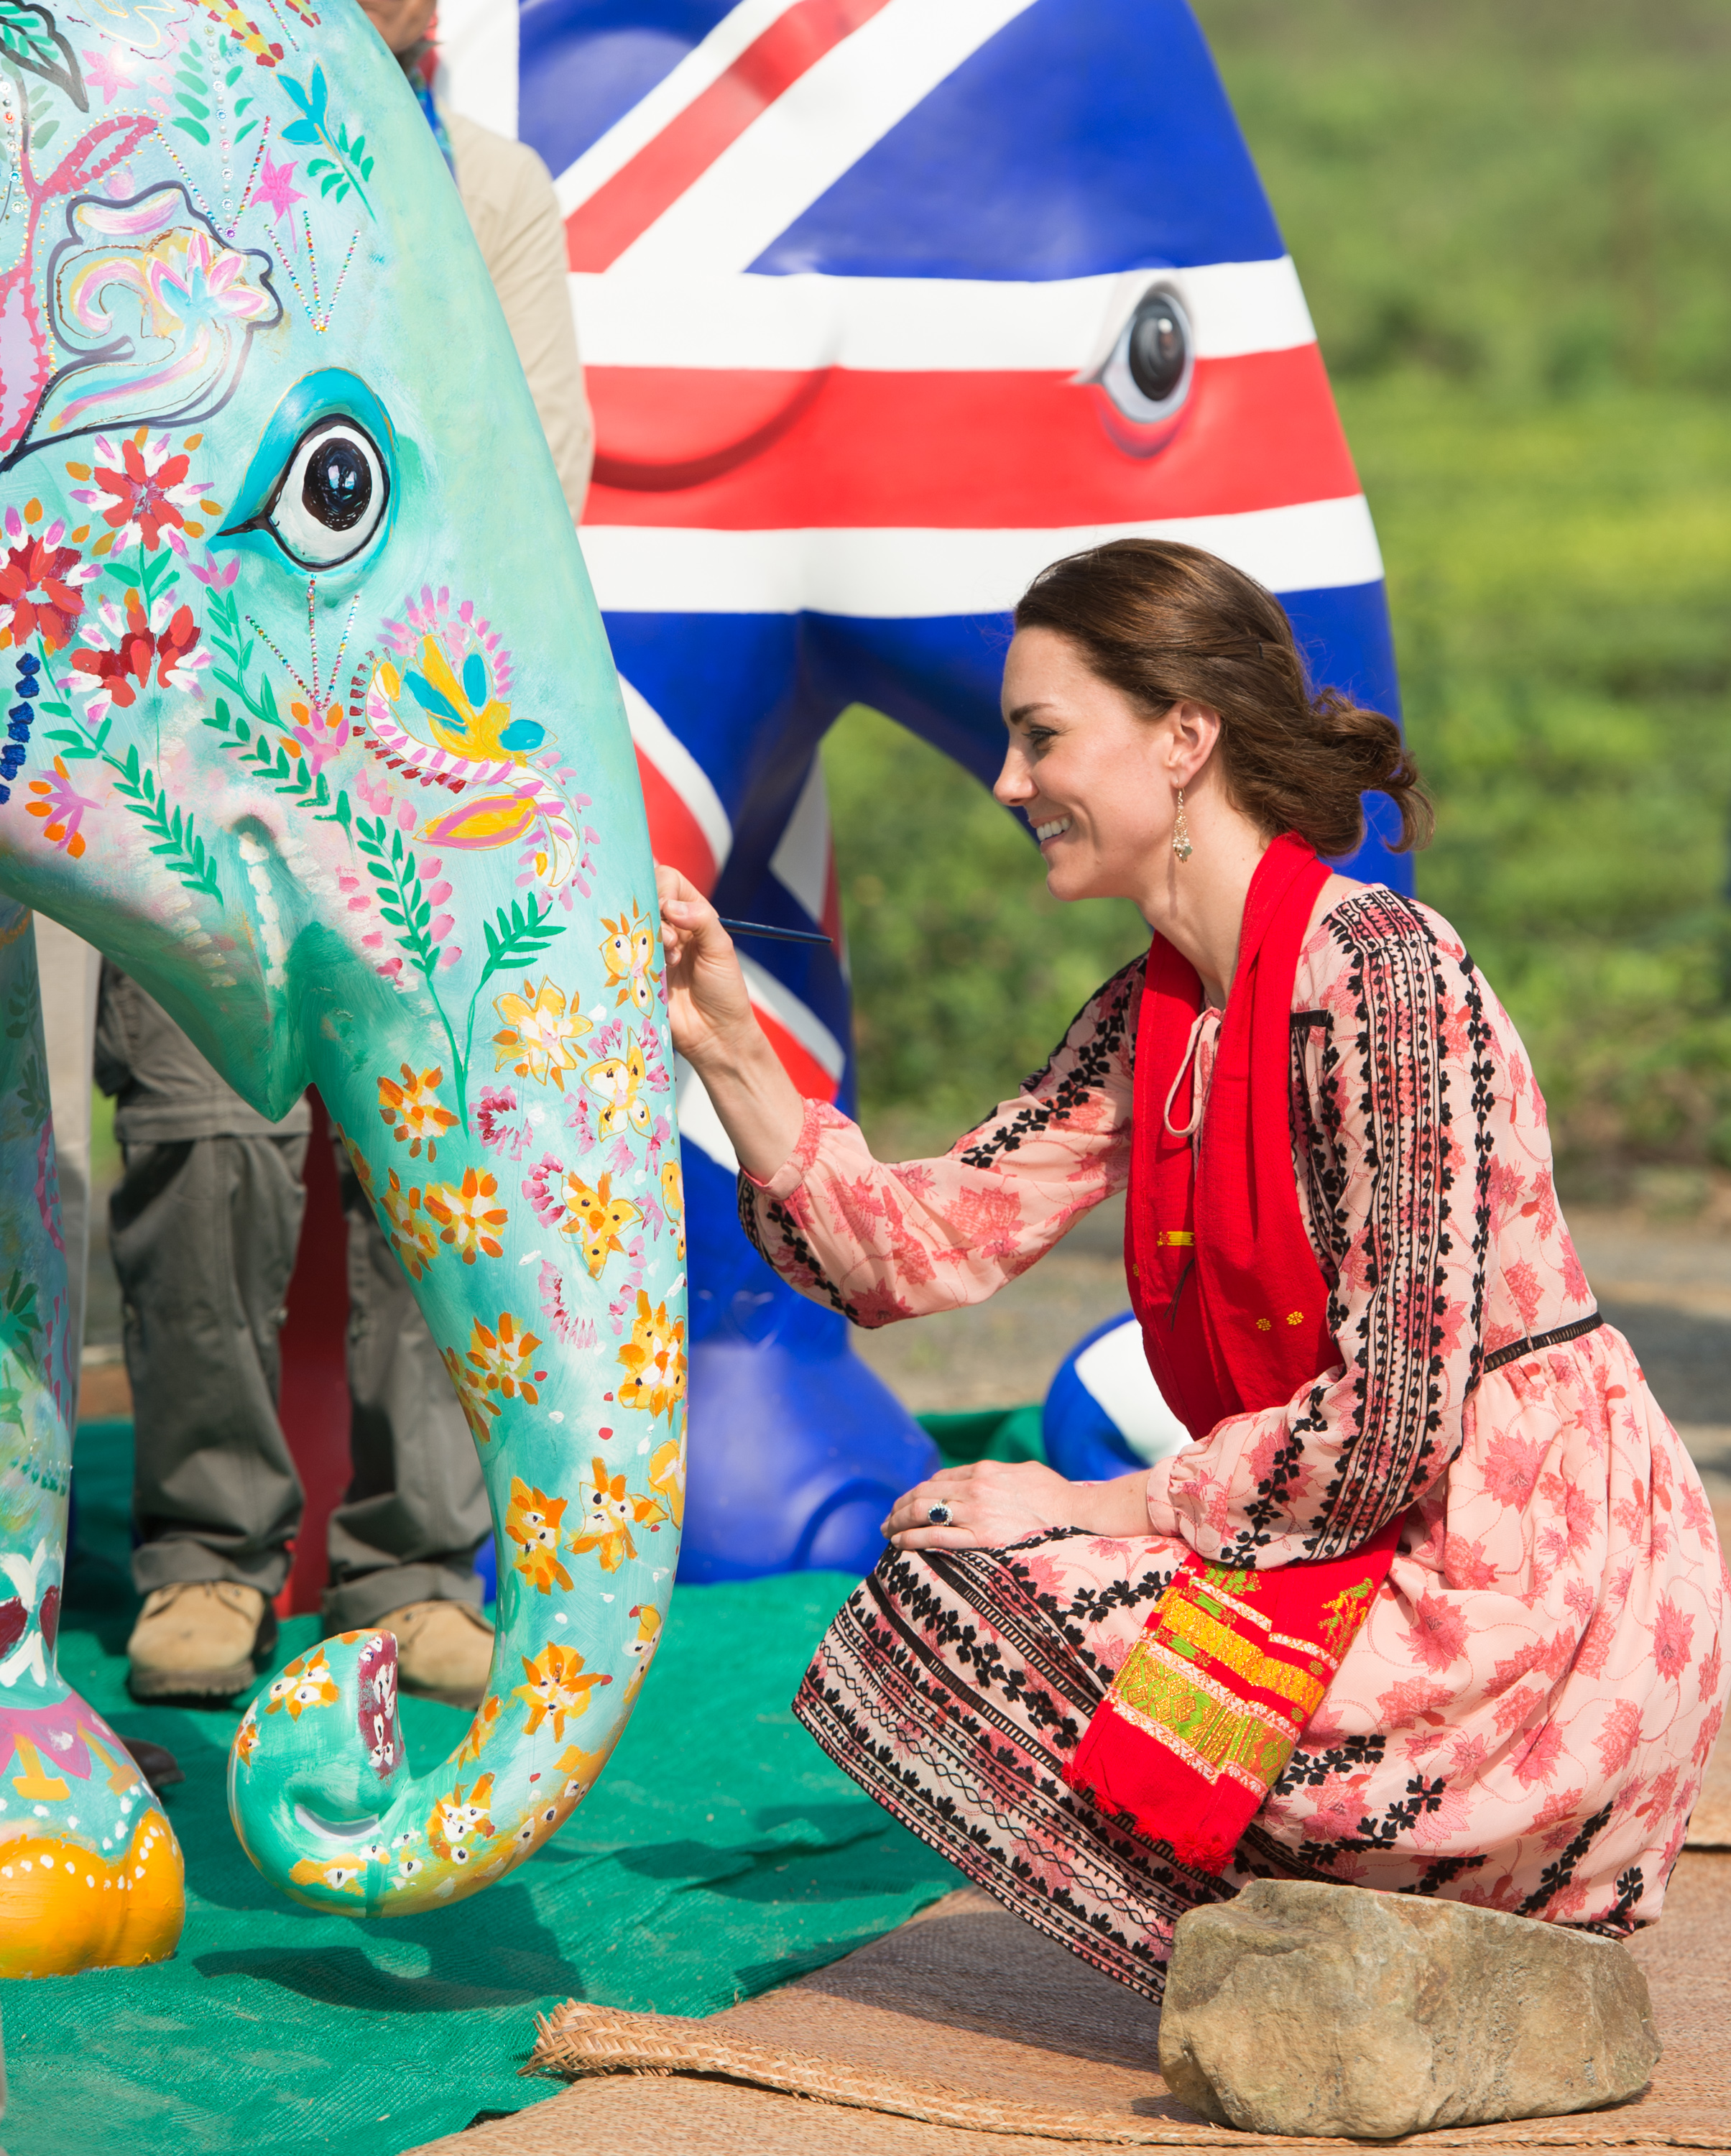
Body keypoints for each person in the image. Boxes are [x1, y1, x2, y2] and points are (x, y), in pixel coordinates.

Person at [658, 538, 1729, 1999]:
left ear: (1182, 738)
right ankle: (1311, 1948)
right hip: (1345, 1532)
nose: (1008, 782)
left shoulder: (1384, 979)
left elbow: (1393, 1425)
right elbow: (920, 1248)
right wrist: (726, 1045)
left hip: (1518, 1600)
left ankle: (1390, 1925)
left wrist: (1090, 1503)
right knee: (936, 1596)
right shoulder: (1157, 1013)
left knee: (978, 1608)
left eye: (1040, 736)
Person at [114, 0, 592, 1708]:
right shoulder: (167, 172)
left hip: (419, 752)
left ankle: (418, 1567)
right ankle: (205, 1553)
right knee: (200, 1143)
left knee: (431, 1160)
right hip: (204, 742)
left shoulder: (487, 188)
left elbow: (537, 466)